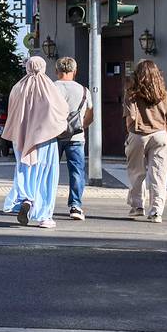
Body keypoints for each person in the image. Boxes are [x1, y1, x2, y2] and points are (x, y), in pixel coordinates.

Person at [1, 56, 71, 228]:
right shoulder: (49, 87)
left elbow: (12, 112)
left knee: (25, 170)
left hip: (21, 139)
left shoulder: (17, 88)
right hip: (45, 139)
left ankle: (27, 198)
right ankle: (44, 217)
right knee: (46, 175)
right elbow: (62, 111)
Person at [125, 58, 167, 222]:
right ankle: (156, 211)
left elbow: (130, 118)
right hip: (160, 135)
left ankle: (137, 206)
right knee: (159, 175)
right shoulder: (164, 95)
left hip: (139, 134)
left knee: (136, 172)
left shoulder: (131, 94)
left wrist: (130, 134)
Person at [52, 57, 94, 221]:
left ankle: (45, 204)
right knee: (77, 172)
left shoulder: (51, 88)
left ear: (57, 71)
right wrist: (80, 126)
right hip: (76, 136)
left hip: (53, 135)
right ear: (75, 71)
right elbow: (90, 115)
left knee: (49, 171)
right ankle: (75, 206)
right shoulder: (84, 90)